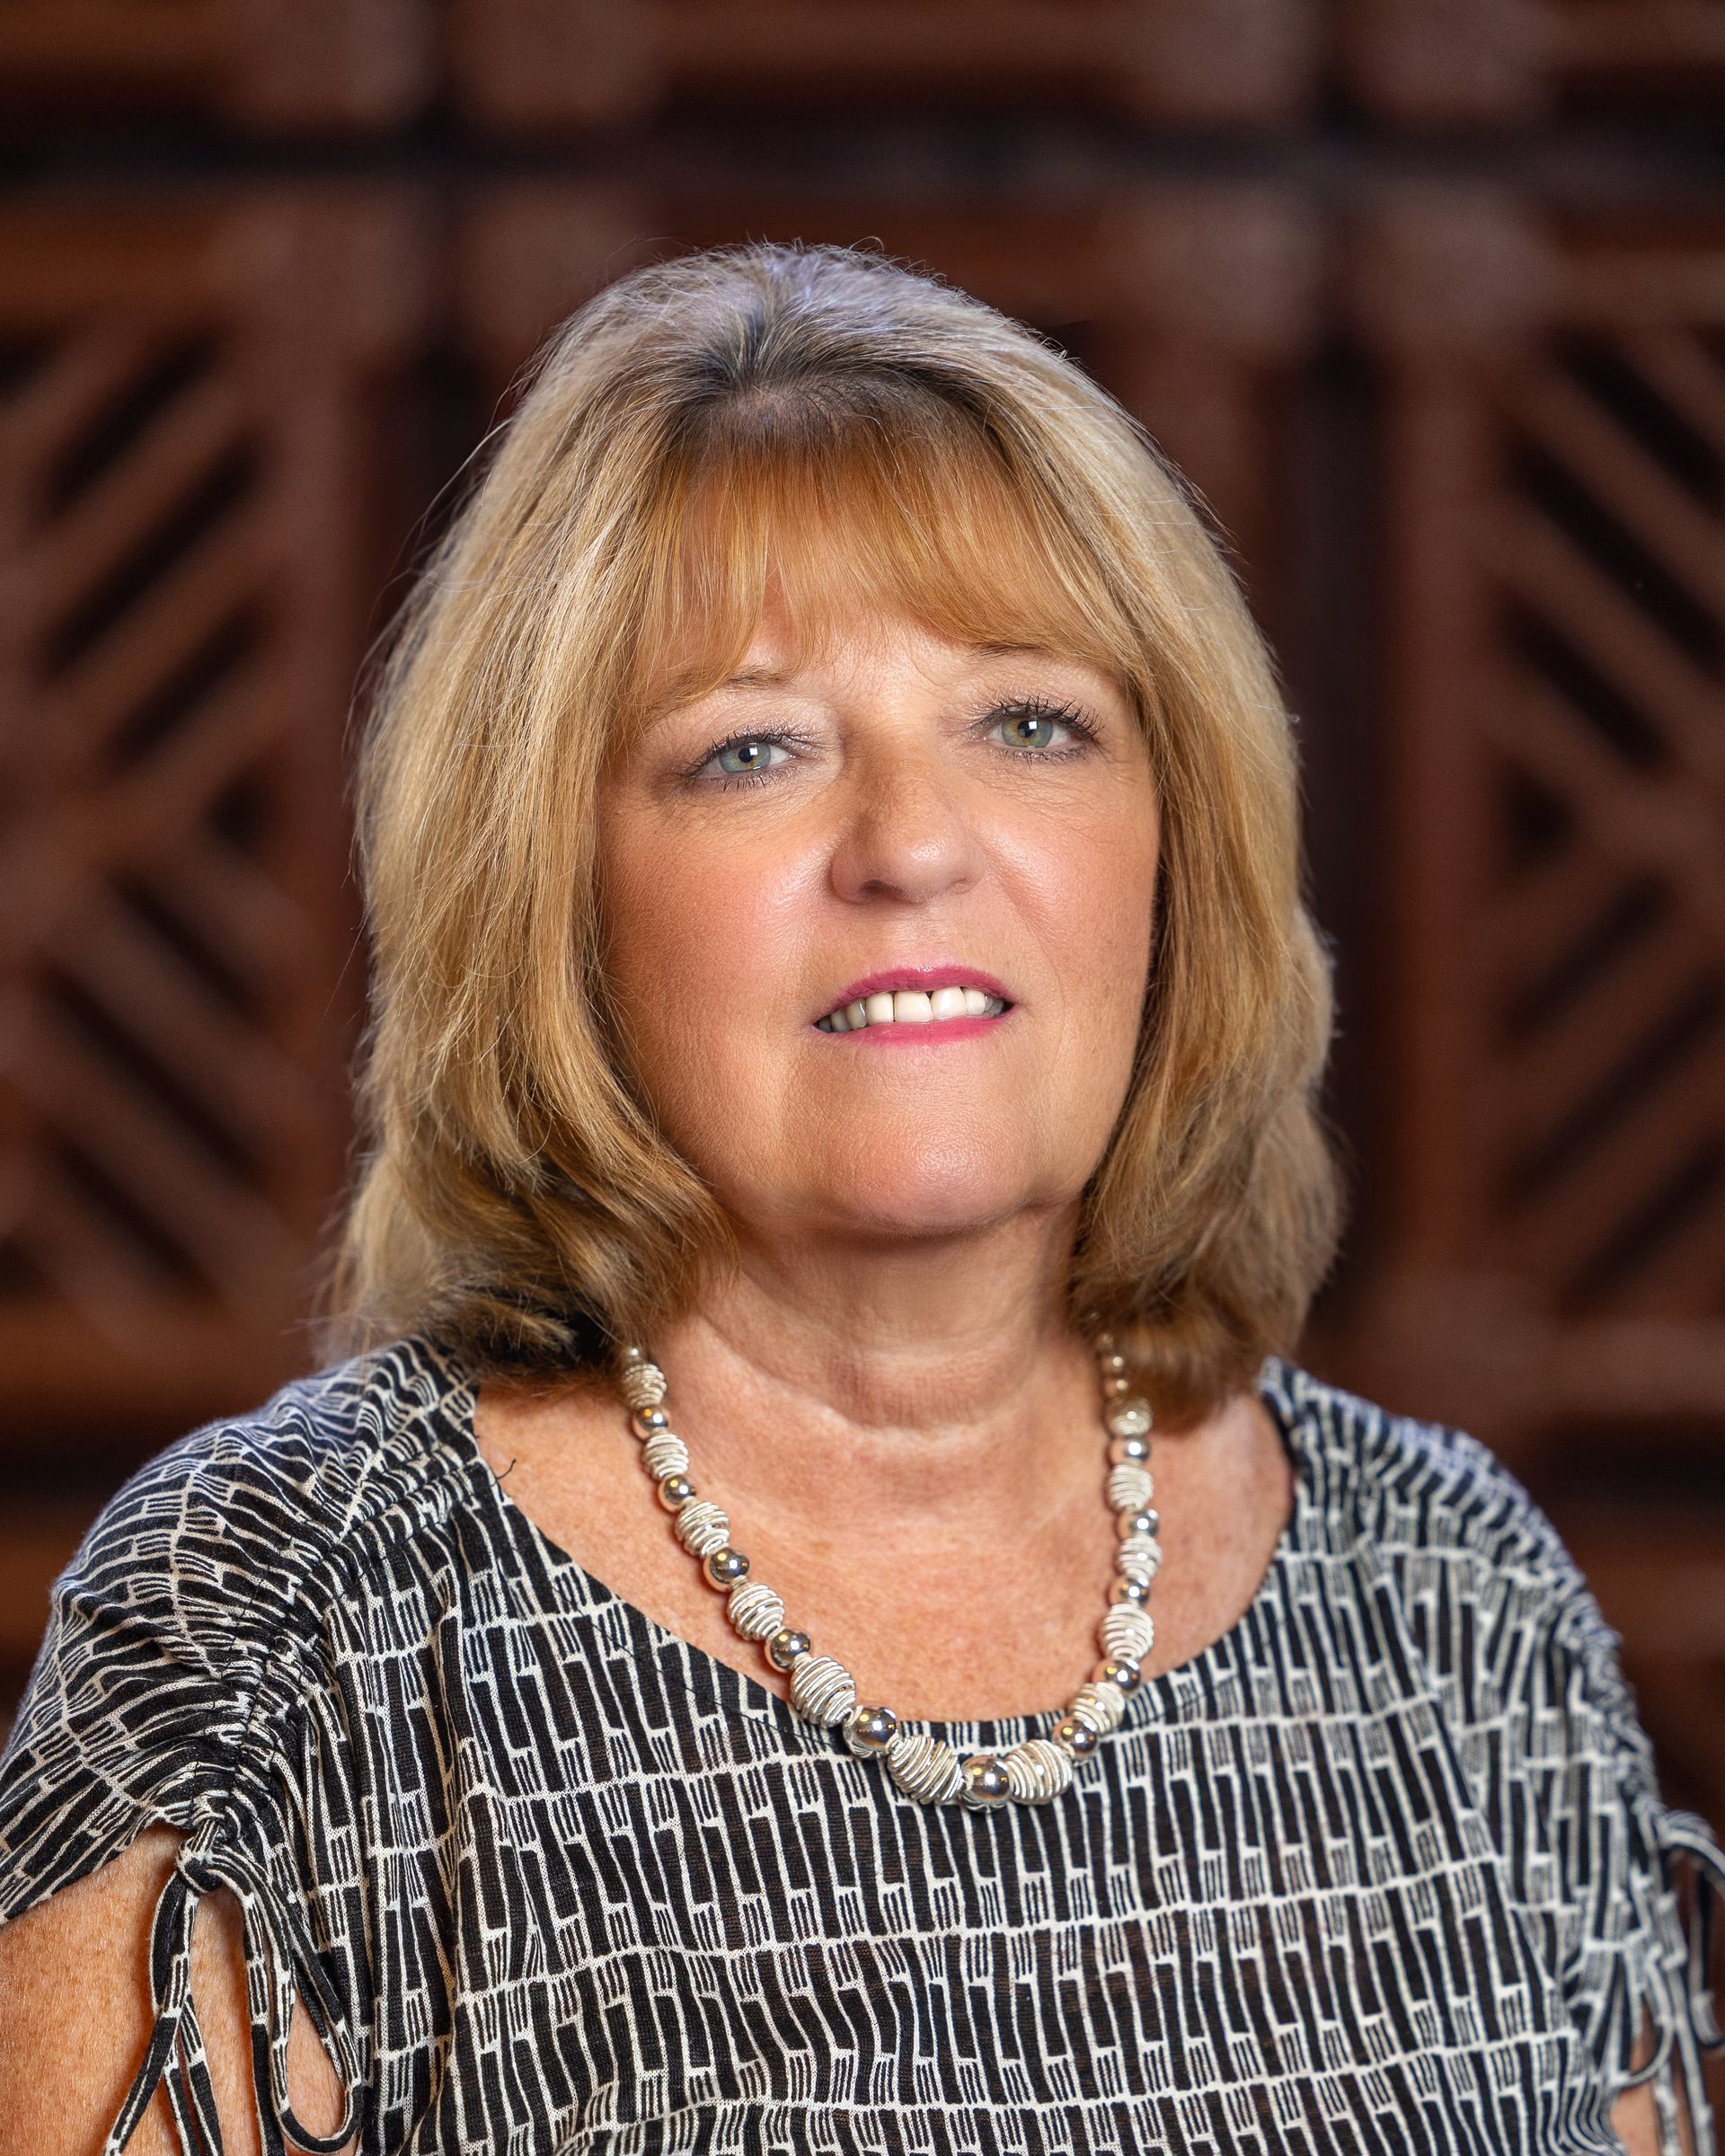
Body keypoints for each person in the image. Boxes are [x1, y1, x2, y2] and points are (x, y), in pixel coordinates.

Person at [0, 240, 1719, 2156]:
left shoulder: (1458, 1600)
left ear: (1181, 843)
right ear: (556, 896)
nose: (911, 845)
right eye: (752, 750)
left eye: (1030, 721)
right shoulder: (287, 1628)